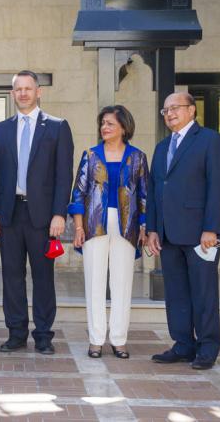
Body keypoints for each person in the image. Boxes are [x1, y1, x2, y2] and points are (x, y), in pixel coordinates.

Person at [0, 70, 73, 354]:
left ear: (38, 92)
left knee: (43, 275)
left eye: (28, 88)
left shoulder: (58, 127)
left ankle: (44, 335)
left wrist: (60, 213)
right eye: (18, 89)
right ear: (12, 94)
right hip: (8, 215)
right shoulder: (1, 129)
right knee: (11, 275)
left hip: (43, 218)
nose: (23, 93)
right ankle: (16, 333)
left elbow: (63, 175)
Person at [147, 92, 220, 370]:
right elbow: (155, 190)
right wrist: (152, 229)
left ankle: (207, 347)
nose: (170, 113)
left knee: (203, 293)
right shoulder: (161, 148)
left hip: (200, 235)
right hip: (168, 234)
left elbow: (217, 187)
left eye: (175, 108)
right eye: (165, 110)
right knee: (177, 293)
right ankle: (183, 344)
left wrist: (211, 227)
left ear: (192, 110)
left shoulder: (210, 141)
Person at [68, 105, 148, 359]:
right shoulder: (90, 155)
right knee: (94, 282)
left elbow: (145, 196)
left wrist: (145, 226)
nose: (105, 127)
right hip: (94, 225)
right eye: (103, 123)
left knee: (122, 283)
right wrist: (79, 227)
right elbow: (78, 192)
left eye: (110, 124)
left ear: (124, 127)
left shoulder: (137, 157)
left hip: (128, 225)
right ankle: (95, 339)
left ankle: (119, 340)